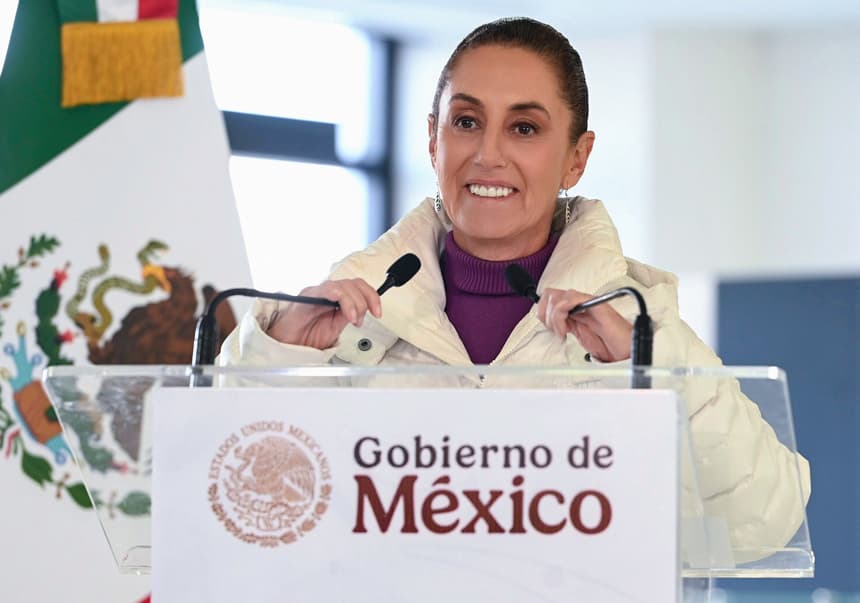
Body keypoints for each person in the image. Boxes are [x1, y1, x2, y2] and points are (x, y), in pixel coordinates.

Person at [219, 17, 810, 558]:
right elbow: (213, 497)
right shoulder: (344, 320)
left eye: (524, 128)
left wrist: (656, 371)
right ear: (433, 140)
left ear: (576, 158)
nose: (488, 154)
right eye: (467, 122)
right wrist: (277, 355)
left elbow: (761, 520)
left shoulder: (638, 324)